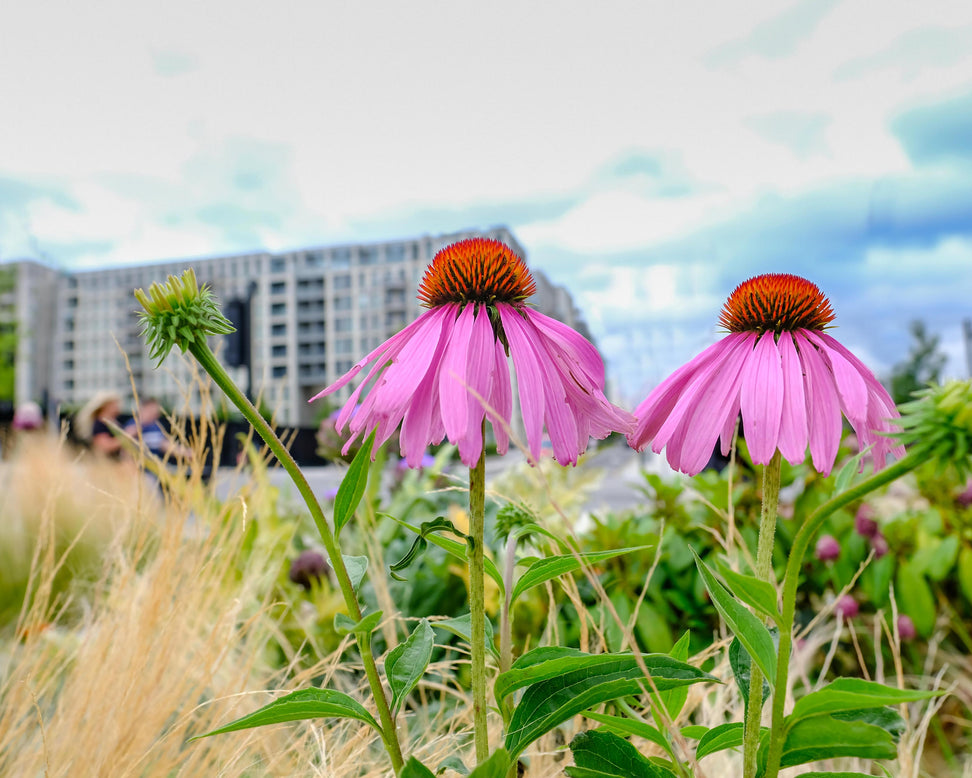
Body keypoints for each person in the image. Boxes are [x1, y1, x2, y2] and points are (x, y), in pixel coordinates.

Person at [75, 391, 123, 459]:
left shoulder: (114, 422)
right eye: (114, 405)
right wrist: (127, 437)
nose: (118, 407)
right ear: (105, 406)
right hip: (108, 463)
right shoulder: (99, 424)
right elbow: (105, 447)